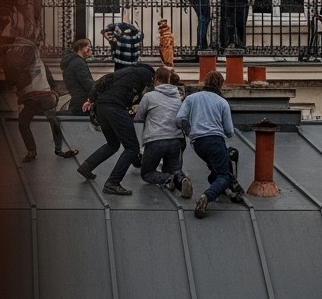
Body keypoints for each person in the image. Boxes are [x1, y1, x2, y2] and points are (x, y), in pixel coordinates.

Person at [77, 63, 156, 195]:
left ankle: (87, 166)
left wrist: (90, 99)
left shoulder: (123, 72)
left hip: (101, 107)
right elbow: (146, 96)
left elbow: (101, 81)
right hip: (115, 108)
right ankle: (112, 182)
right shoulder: (147, 76)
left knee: (113, 144)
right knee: (132, 148)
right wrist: (135, 105)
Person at [177, 72, 238, 218]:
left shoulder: (191, 98)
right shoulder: (222, 102)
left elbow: (180, 118)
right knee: (225, 175)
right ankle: (208, 196)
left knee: (214, 169)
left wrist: (190, 131)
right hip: (215, 141)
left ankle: (219, 189)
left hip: (198, 143)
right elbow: (229, 131)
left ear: (205, 82)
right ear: (221, 84)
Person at [14, 44, 79, 163]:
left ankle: (56, 149)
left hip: (44, 98)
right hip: (32, 101)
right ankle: (33, 151)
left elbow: (51, 82)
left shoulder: (41, 65)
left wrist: (54, 94)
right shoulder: (21, 66)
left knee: (53, 121)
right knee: (24, 123)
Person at [136, 66, 192, 198]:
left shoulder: (149, 96)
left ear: (156, 80)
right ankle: (181, 180)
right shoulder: (178, 98)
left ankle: (167, 179)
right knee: (175, 170)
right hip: (176, 140)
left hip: (155, 140)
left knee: (147, 173)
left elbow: (139, 117)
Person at [61, 38, 95, 113]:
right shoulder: (79, 62)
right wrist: (98, 90)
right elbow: (86, 82)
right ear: (80, 48)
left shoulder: (72, 61)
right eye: (88, 46)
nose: (90, 49)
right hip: (82, 103)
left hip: (76, 100)